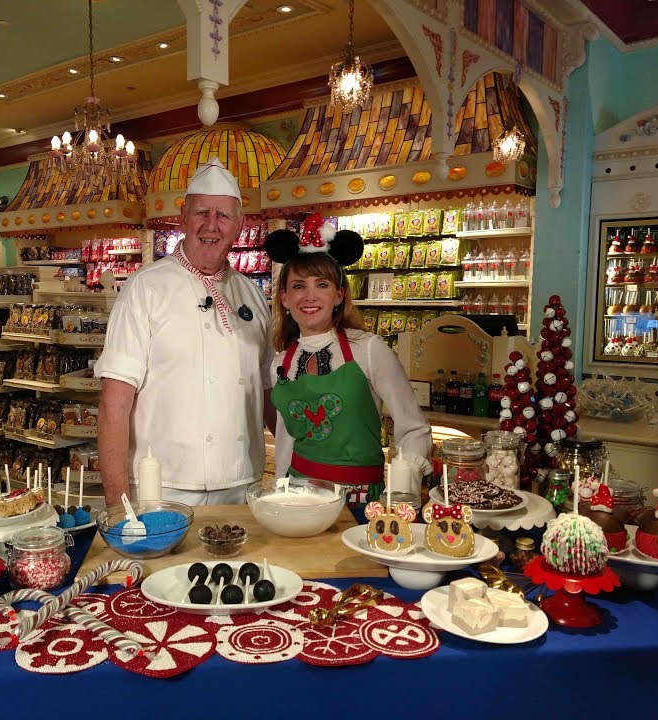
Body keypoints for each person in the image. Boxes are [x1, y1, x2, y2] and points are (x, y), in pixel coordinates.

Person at [96, 157, 273, 507]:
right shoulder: (145, 288)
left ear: (239, 225)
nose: (212, 225)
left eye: (223, 215)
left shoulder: (251, 293)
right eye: (201, 213)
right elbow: (113, 404)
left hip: (242, 487)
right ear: (182, 218)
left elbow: (268, 394)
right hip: (162, 490)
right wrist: (120, 508)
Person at [265, 214, 433, 499]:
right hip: (299, 498)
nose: (310, 296)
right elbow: (285, 442)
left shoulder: (369, 349)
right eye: (298, 286)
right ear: (284, 298)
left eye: (322, 285)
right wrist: (279, 497)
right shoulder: (281, 362)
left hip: (360, 499)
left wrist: (403, 490)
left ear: (339, 295)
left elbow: (413, 426)